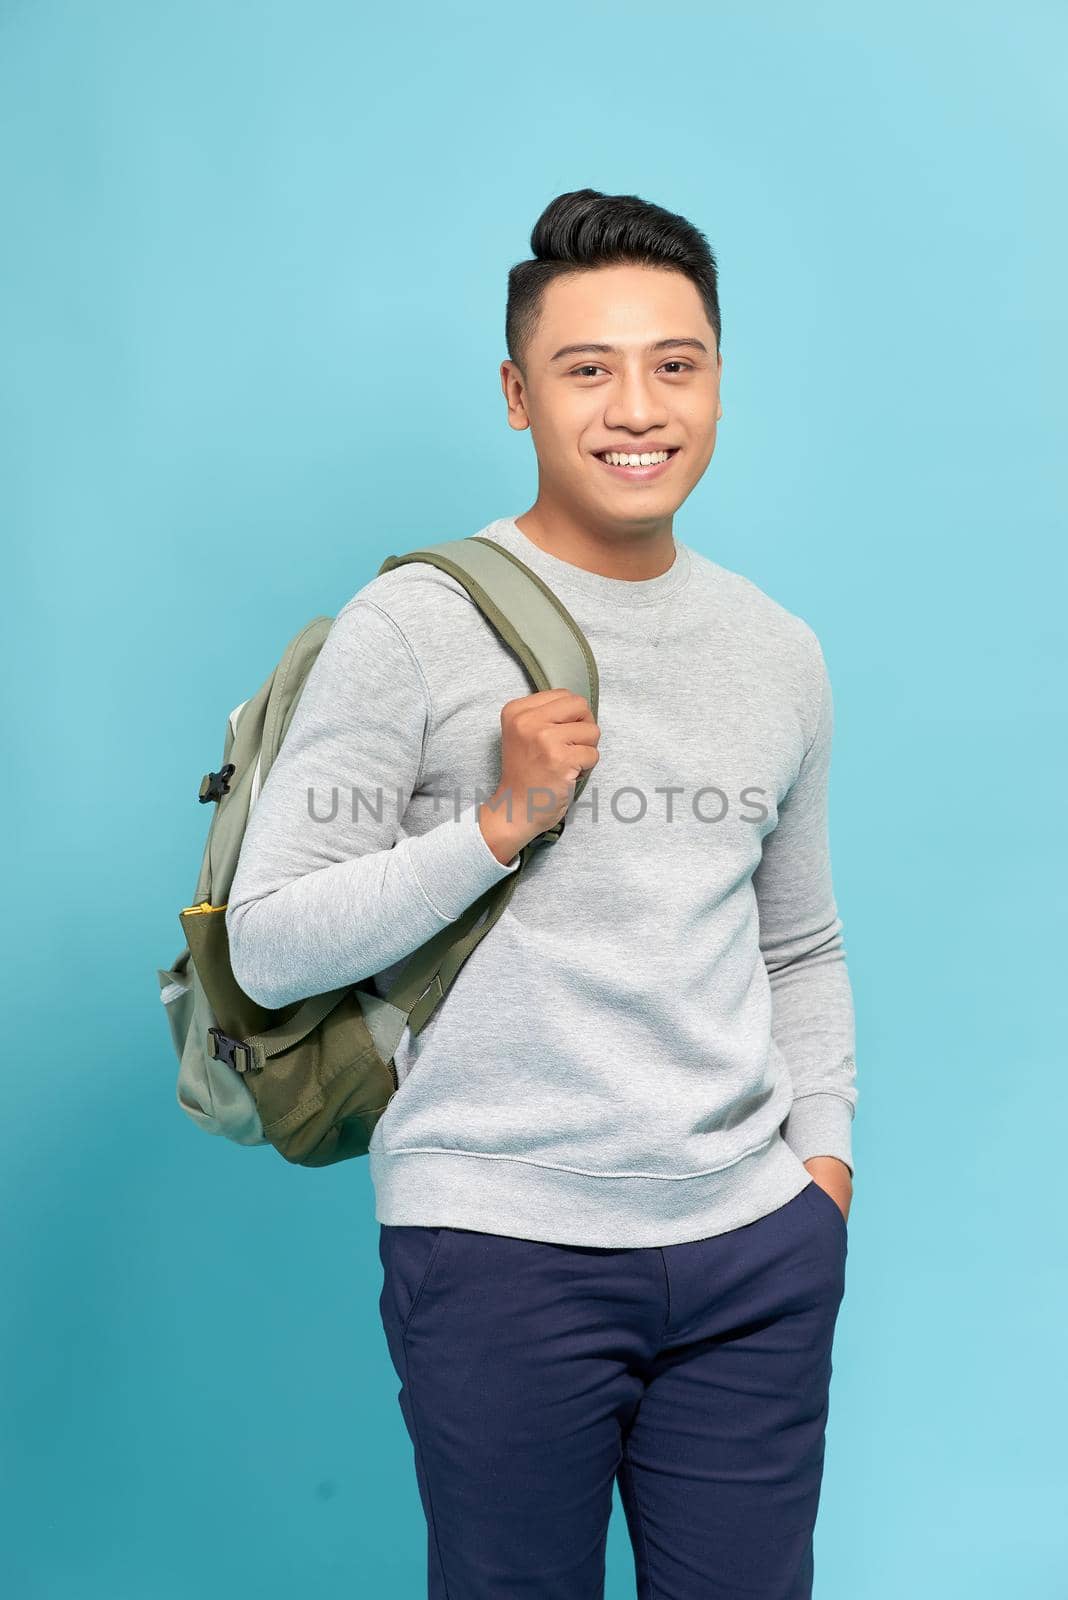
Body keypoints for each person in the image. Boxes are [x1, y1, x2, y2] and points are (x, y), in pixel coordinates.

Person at [226, 187, 858, 1599]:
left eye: (674, 364)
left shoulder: (778, 651)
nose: (637, 408)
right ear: (519, 396)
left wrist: (821, 1171)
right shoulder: (415, 626)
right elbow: (266, 944)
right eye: (588, 369)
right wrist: (498, 826)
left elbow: (800, 944)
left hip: (752, 1252)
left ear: (715, 381)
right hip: (502, 1249)